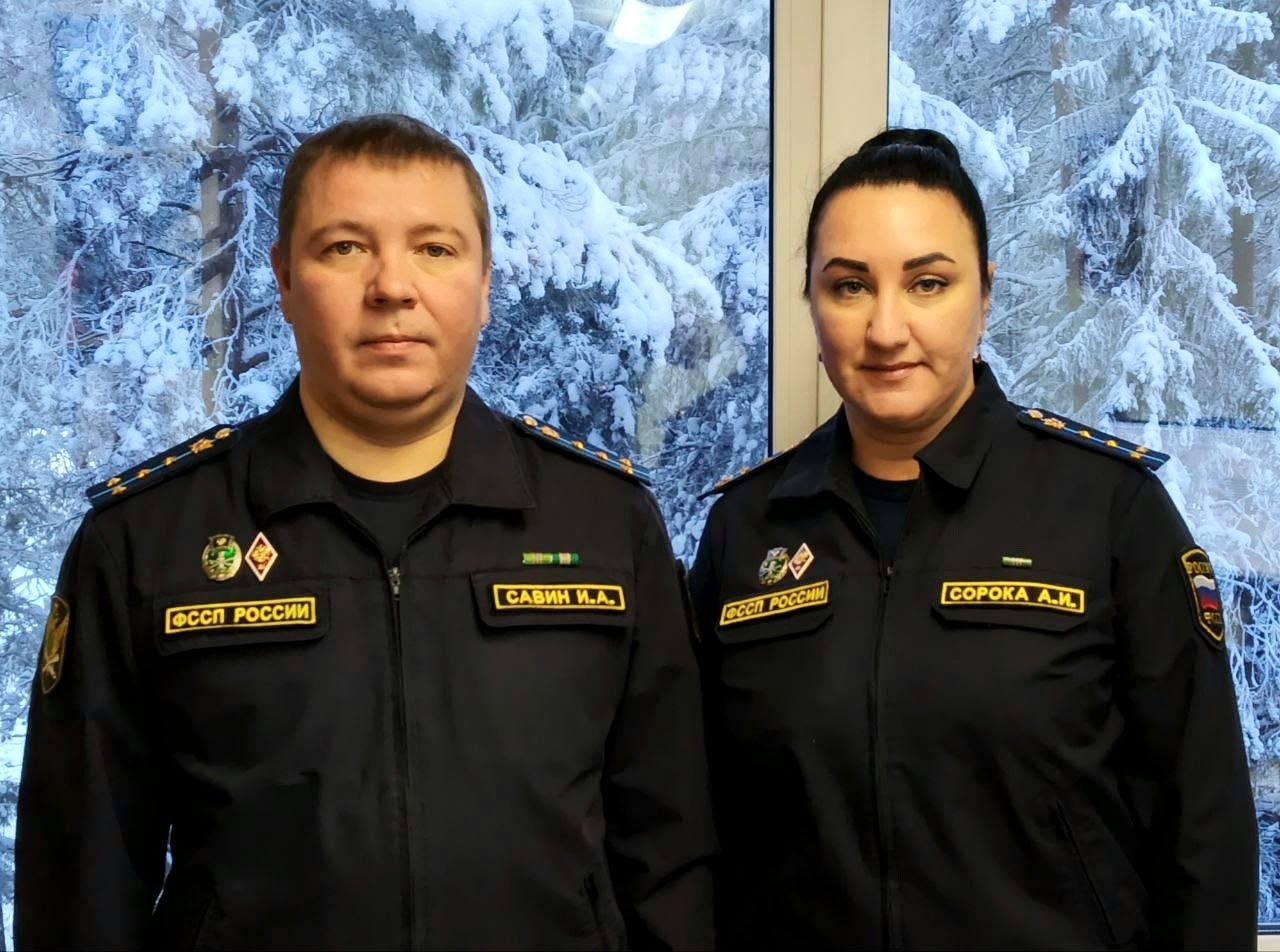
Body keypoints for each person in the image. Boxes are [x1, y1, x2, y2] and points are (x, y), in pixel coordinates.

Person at [15, 113, 715, 950]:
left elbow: (673, 858)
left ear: (484, 284)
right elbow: (81, 884)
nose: (392, 287)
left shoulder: (607, 525)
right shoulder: (145, 542)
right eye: (345, 247)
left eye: (435, 248)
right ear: (283, 278)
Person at [689, 128, 1258, 949]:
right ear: (810, 302)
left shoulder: (1108, 510)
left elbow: (1204, 833)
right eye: (849, 286)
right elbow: (697, 825)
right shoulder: (748, 529)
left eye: (928, 283)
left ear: (984, 294)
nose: (886, 328)